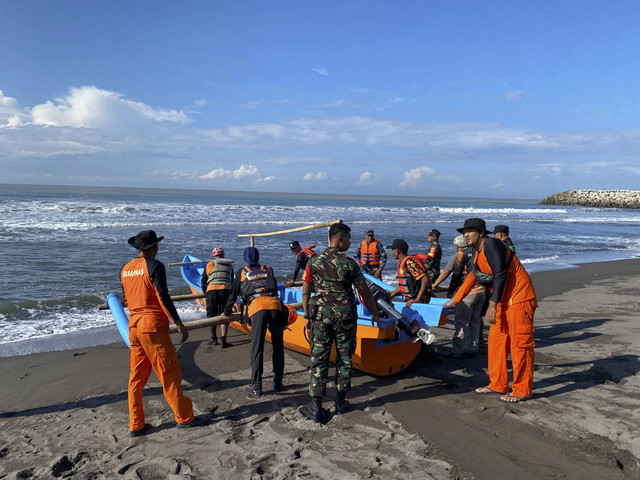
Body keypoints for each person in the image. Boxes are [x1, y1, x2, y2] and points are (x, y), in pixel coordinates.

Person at [121, 230, 208, 436]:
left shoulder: (125, 269)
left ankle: (136, 423)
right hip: (152, 327)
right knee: (169, 372)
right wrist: (178, 323)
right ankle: (184, 417)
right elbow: (163, 297)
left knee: (136, 378)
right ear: (154, 248)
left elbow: (126, 299)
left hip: (133, 325)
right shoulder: (155, 266)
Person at [444, 218, 537, 403]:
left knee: (520, 344)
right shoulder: (477, 253)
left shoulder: (492, 244)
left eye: (470, 231)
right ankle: (498, 383)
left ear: (481, 233)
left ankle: (521, 390)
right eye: (464, 232)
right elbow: (472, 277)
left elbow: (501, 274)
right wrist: (455, 300)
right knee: (496, 342)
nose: (466, 235)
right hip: (502, 299)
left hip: (519, 298)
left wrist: (492, 306)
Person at [302, 222, 379, 422]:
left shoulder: (314, 262)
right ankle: (340, 401)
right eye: (348, 239)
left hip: (320, 316)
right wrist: (375, 314)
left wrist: (307, 316)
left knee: (319, 359)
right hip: (345, 316)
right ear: (339, 238)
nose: (350, 243)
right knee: (345, 358)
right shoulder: (349, 263)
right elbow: (365, 292)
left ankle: (316, 406)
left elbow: (306, 290)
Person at [224, 246, 285, 397]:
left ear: (245, 258)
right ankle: (277, 382)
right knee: (278, 346)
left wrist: (226, 311)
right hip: (276, 307)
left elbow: (233, 294)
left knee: (257, 348)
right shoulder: (268, 269)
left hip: (258, 309)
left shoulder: (241, 272)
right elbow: (274, 290)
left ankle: (256, 387)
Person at [433, 235, 486, 358]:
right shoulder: (478, 252)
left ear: (457, 246)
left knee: (461, 323)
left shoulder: (459, 255)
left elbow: (448, 272)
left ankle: (458, 350)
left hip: (467, 292)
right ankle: (473, 348)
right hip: (481, 290)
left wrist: (436, 284)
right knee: (474, 321)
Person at [200, 247, 234, 348]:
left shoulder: (210, 264)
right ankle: (223, 340)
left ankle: (213, 339)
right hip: (225, 290)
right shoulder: (229, 265)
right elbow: (231, 280)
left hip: (212, 291)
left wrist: (204, 291)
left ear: (213, 256)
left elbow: (203, 281)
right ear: (223, 255)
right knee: (224, 314)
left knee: (212, 315)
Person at [387, 239, 432, 307]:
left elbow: (425, 279)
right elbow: (403, 285)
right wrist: (392, 295)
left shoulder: (409, 263)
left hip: (419, 301)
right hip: (411, 300)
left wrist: (417, 299)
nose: (392, 252)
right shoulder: (403, 263)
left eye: (393, 250)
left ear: (397, 251)